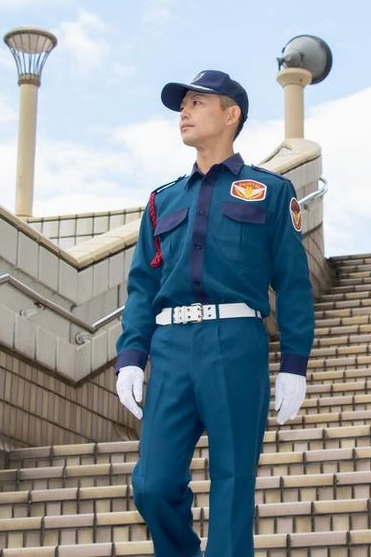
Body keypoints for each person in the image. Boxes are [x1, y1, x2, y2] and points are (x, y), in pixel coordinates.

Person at [113, 69, 315, 557]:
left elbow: (291, 283)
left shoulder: (270, 192)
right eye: (182, 104)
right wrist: (131, 357)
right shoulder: (163, 200)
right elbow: (142, 285)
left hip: (236, 342)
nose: (183, 111)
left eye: (197, 102)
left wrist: (294, 364)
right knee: (153, 484)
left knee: (231, 483)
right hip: (172, 348)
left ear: (231, 115)